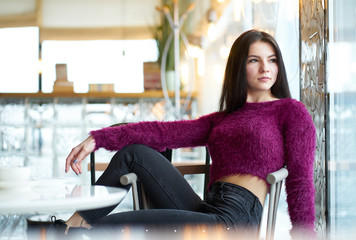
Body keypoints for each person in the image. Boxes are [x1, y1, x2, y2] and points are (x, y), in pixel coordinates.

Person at [53, 29, 316, 237]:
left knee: (109, 228)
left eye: (271, 60)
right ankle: (70, 225)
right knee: (133, 154)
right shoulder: (222, 119)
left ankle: (66, 232)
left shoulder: (290, 111)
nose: (265, 68)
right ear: (239, 66)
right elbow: (163, 132)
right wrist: (98, 139)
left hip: (236, 221)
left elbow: (300, 182)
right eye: (254, 60)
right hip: (207, 208)